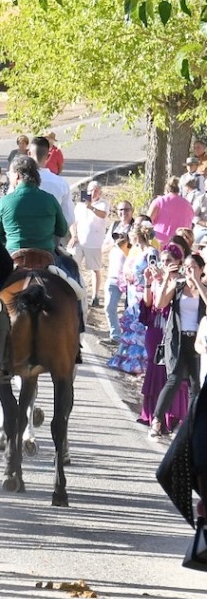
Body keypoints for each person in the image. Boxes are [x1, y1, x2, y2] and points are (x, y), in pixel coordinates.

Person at [149, 246, 203, 438]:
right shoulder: (178, 285)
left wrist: (197, 282)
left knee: (195, 385)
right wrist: (165, 279)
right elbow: (160, 304)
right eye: (186, 267)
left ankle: (189, 427)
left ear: (200, 269)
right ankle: (156, 421)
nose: (187, 270)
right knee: (173, 379)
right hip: (178, 341)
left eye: (192, 267)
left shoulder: (203, 287)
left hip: (198, 343)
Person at [0, 156, 69, 254]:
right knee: (70, 265)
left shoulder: (4, 202)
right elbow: (62, 230)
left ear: (17, 175)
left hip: (14, 255)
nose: (8, 177)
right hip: (46, 255)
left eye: (9, 174)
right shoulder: (50, 199)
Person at [108, 224, 155, 374]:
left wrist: (139, 278)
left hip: (143, 292)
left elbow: (154, 271)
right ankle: (126, 358)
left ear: (136, 236)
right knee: (131, 325)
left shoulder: (151, 252)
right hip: (132, 292)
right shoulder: (135, 252)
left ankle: (139, 362)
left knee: (140, 326)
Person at [71, 181, 108, 304]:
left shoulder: (103, 204)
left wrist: (91, 206)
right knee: (73, 265)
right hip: (79, 241)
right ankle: (74, 291)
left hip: (94, 243)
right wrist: (74, 236)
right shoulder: (80, 205)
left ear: (100, 192)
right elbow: (73, 222)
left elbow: (102, 215)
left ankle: (95, 296)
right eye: (91, 190)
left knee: (95, 269)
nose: (93, 193)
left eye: (96, 190)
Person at [148, 177, 196, 245]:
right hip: (180, 245)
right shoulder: (188, 205)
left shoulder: (159, 201)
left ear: (166, 189)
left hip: (159, 243)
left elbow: (147, 222)